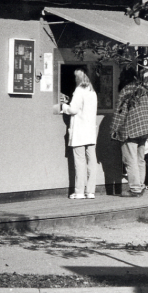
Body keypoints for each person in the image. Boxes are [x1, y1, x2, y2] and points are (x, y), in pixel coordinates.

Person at [110, 70, 148, 197]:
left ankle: (135, 189)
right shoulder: (146, 90)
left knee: (130, 159)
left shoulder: (126, 90)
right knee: (140, 159)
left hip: (130, 129)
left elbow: (120, 113)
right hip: (145, 129)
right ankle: (140, 186)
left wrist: (113, 129)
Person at [60, 69, 98, 199]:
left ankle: (80, 191)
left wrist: (64, 106)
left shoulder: (79, 91)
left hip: (80, 132)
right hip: (91, 132)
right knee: (92, 162)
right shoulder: (92, 92)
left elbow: (73, 109)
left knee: (80, 162)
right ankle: (91, 191)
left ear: (78, 78)